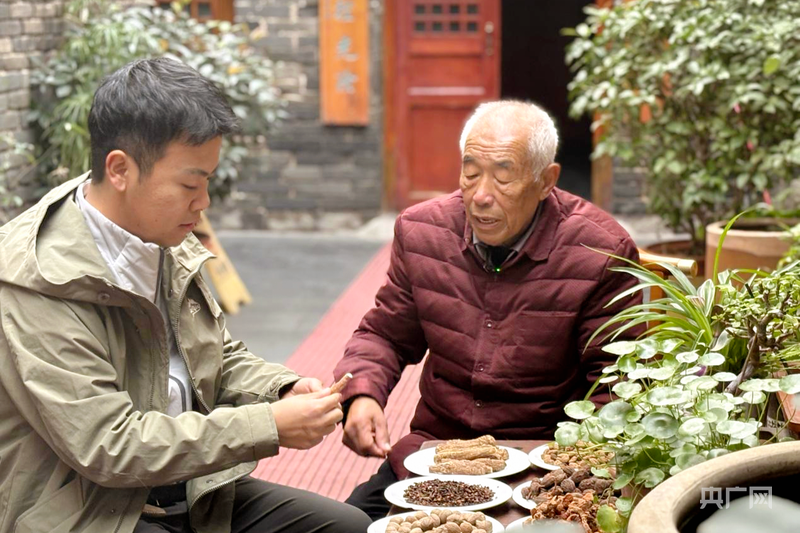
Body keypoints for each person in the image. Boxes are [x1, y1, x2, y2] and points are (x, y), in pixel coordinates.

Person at [0, 58, 371, 533]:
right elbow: (109, 446)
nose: (203, 202)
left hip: (191, 486)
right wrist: (268, 425)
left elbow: (215, 353)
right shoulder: (38, 279)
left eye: (207, 183)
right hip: (87, 508)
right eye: (189, 184)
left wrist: (280, 389)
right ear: (120, 169)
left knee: (348, 526)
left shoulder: (162, 234)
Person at [333, 100, 643, 519]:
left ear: (546, 180)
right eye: (471, 171)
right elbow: (385, 334)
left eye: (503, 175)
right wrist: (362, 393)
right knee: (342, 524)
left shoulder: (599, 251)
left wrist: (574, 472)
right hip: (436, 454)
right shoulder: (423, 232)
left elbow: (617, 384)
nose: (480, 195)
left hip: (545, 464)